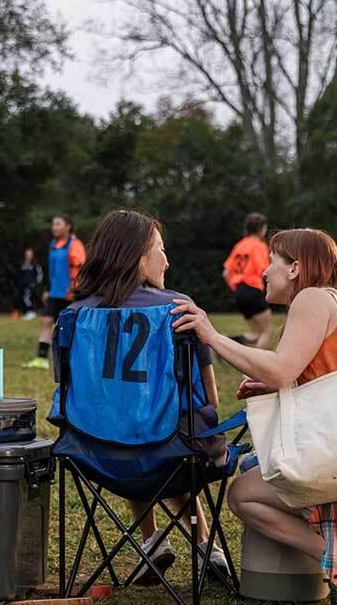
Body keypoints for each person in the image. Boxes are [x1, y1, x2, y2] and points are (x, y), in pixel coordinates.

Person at [172, 228, 337, 605]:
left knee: (242, 495)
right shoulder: (333, 302)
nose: (264, 271)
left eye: (272, 261)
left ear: (295, 268)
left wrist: (212, 336)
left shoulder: (311, 298)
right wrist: (275, 386)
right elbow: (318, 376)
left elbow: (281, 368)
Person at [66, 209, 229, 584]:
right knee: (166, 428)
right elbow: (210, 398)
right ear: (139, 257)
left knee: (127, 420)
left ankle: (153, 541)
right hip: (175, 454)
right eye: (161, 249)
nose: (167, 261)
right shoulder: (179, 309)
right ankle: (206, 548)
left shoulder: (75, 315)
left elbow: (75, 395)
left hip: (97, 454)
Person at [23, 214, 86, 369]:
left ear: (68, 226)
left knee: (71, 328)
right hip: (54, 293)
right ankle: (41, 358)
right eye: (53, 224)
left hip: (70, 295)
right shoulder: (53, 244)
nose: (54, 227)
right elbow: (50, 271)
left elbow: (82, 269)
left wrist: (77, 287)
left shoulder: (75, 244)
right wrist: (47, 289)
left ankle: (75, 360)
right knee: (46, 322)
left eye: (58, 224)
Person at [222, 213, 273, 349]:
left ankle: (225, 343)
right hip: (253, 289)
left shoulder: (240, 245)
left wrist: (238, 288)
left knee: (257, 333)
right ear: (261, 228)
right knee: (267, 331)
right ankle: (257, 363)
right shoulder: (259, 246)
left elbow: (226, 273)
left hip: (240, 291)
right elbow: (265, 270)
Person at [15, 247, 43, 320]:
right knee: (23, 298)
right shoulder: (23, 264)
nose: (28, 256)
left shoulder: (35, 265)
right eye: (27, 254)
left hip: (32, 286)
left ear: (32, 255)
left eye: (30, 254)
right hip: (23, 286)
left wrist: (35, 283)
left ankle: (32, 312)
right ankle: (26, 312)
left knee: (28, 298)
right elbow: (19, 274)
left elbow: (39, 274)